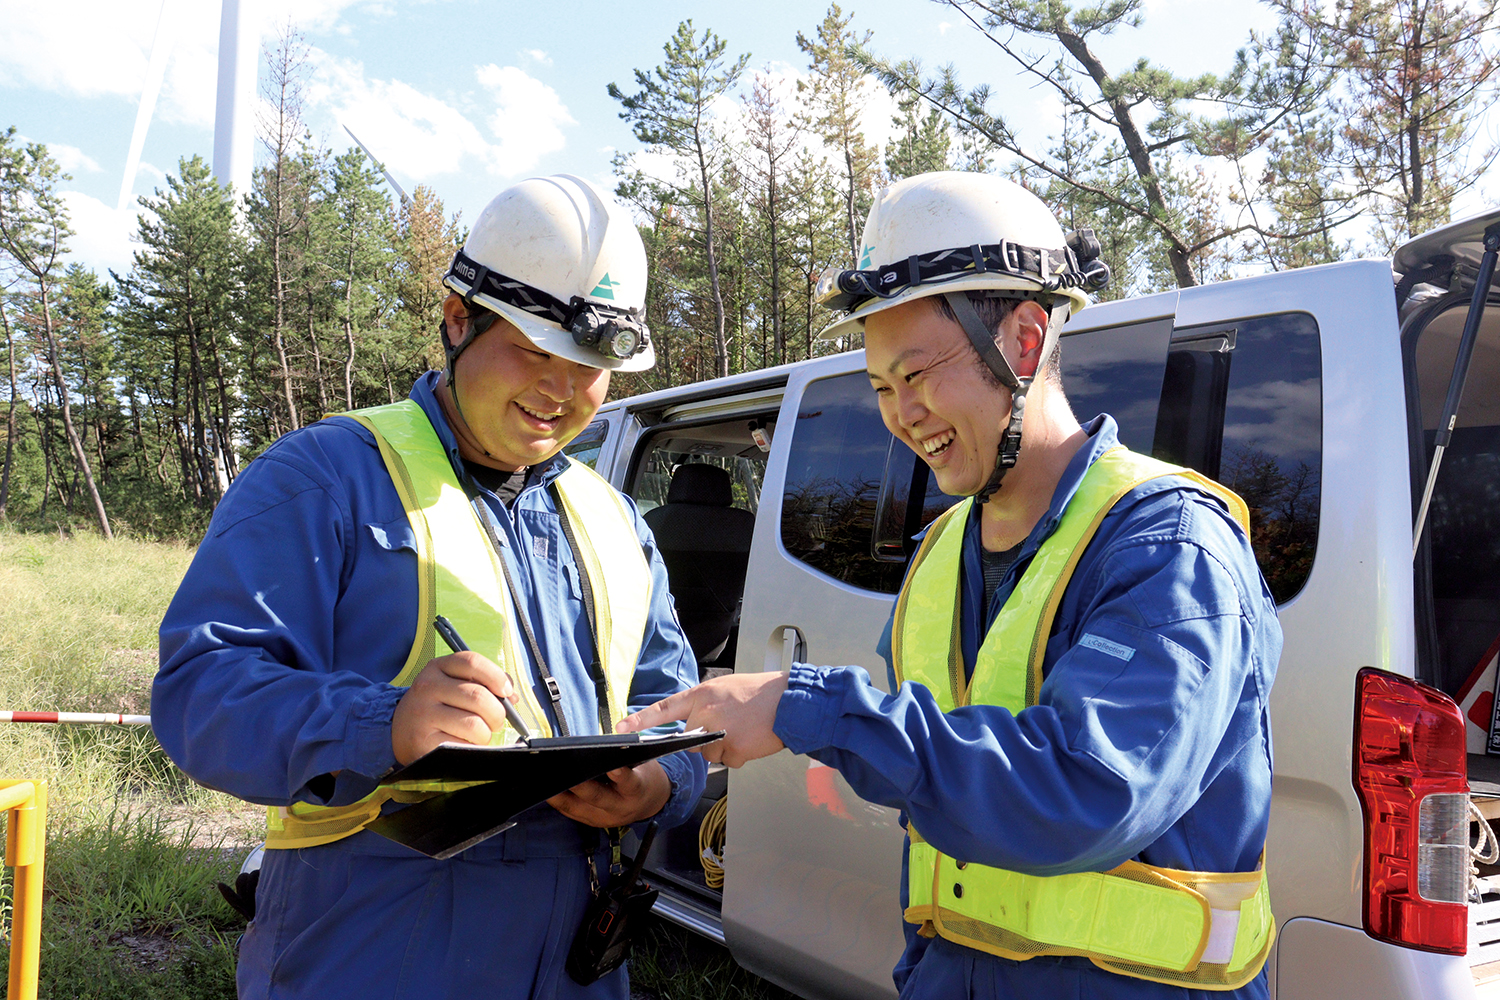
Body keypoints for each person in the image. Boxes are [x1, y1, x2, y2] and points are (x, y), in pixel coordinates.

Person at [619, 171, 1281, 999]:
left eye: (918, 374)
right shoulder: (940, 552)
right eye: (881, 389)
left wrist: (812, 710)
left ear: (1025, 343)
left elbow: (1087, 789)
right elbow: (947, 811)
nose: (902, 415)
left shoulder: (1170, 546)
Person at [154, 174, 705, 1000]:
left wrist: (660, 784)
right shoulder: (325, 478)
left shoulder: (616, 520)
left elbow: (673, 703)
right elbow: (200, 696)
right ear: (457, 319)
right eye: (534, 350)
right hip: (373, 945)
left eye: (590, 364)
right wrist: (385, 723)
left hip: (576, 954)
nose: (561, 388)